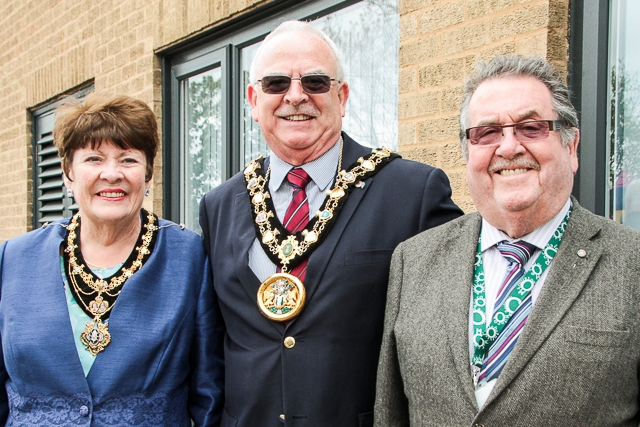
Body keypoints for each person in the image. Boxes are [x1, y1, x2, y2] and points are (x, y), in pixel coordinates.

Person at [199, 20, 462, 427]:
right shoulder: (219, 205)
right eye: (275, 83)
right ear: (253, 100)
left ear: (342, 96)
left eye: (316, 82)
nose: (296, 96)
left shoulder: (412, 192)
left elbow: (449, 340)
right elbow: (213, 347)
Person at [374, 55, 640, 426]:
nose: (509, 147)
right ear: (468, 153)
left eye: (531, 127)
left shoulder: (632, 262)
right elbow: (391, 413)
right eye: (487, 132)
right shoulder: (414, 259)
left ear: (572, 147)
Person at [0, 93, 224, 426]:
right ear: (68, 173)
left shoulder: (190, 258)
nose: (112, 173)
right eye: (93, 159)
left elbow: (209, 397)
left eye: (128, 159)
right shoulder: (13, 259)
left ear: (148, 175)